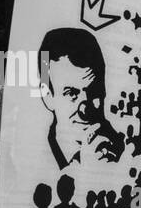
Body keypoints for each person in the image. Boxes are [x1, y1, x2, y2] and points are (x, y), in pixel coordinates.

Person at [38, 27, 124, 169]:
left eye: (94, 91)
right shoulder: (31, 157)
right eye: (71, 93)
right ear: (47, 96)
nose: (85, 109)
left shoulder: (124, 152)